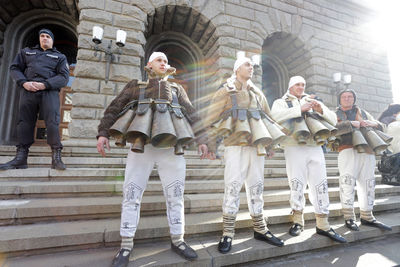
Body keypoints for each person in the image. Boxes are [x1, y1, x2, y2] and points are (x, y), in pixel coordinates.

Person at [97, 52, 209, 267]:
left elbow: (192, 114)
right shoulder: (135, 85)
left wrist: (203, 140)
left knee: (176, 195)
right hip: (141, 147)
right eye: (159, 60)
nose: (164, 63)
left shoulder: (177, 89)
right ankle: (126, 245)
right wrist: (103, 133)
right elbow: (114, 108)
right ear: (149, 64)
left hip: (171, 147)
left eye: (166, 61)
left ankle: (178, 240)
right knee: (131, 194)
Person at [207, 57, 284, 254]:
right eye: (247, 65)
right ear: (236, 68)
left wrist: (271, 144)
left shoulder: (258, 93)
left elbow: (268, 117)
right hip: (234, 145)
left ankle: (260, 228)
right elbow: (212, 117)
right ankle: (228, 232)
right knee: (232, 186)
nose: (251, 68)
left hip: (257, 146)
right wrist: (209, 145)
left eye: (252, 65)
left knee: (257, 186)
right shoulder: (226, 89)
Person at [270, 76, 346, 243]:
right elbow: (274, 116)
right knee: (296, 182)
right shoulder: (280, 101)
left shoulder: (312, 101)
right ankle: (297, 221)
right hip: (293, 146)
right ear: (290, 87)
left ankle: (323, 223)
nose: (301, 87)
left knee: (320, 183)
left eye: (303, 84)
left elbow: (333, 119)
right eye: (297, 84)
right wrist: (299, 109)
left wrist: (320, 110)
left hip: (315, 146)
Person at [0, 28, 69, 171]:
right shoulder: (26, 52)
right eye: (42, 36)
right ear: (39, 39)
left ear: (52, 40)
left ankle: (56, 158)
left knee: (52, 122)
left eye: (48, 37)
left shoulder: (60, 57)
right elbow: (14, 68)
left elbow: (64, 77)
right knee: (24, 122)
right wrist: (23, 82)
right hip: (28, 90)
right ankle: (21, 158)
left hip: (49, 91)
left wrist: (45, 84)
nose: (45, 38)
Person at [336, 89, 392, 231]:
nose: (348, 99)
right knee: (347, 182)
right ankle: (349, 217)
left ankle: (367, 216)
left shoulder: (364, 112)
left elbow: (381, 126)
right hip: (347, 148)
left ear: (354, 99)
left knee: (368, 183)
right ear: (340, 99)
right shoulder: (333, 113)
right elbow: (331, 129)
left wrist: (373, 124)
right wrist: (351, 124)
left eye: (350, 96)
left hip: (367, 149)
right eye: (344, 96)